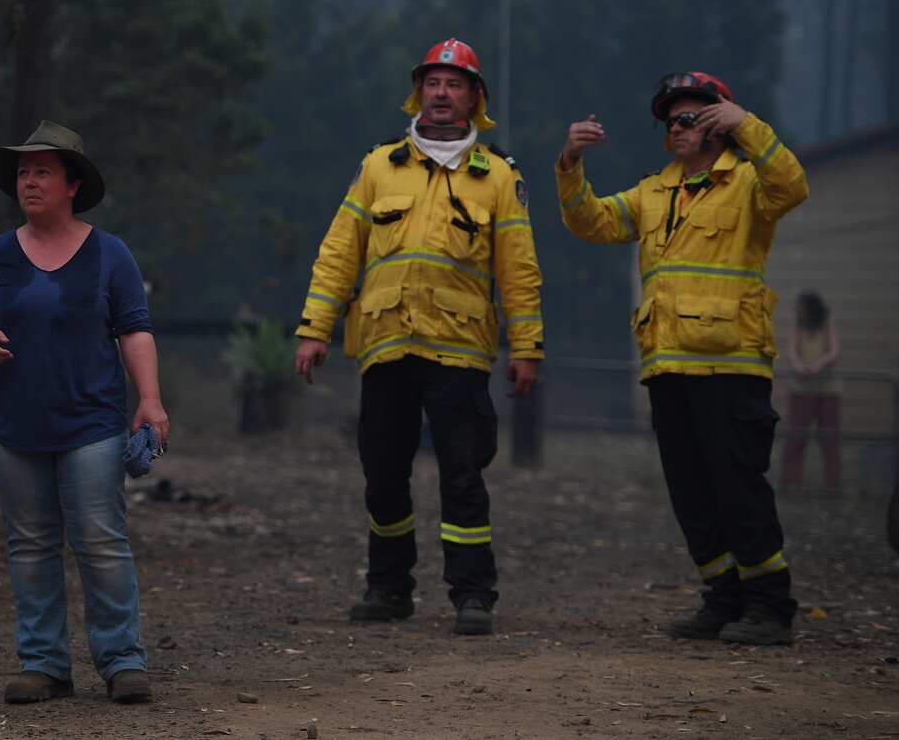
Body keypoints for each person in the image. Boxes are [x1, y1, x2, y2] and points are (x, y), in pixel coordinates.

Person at [294, 38, 544, 636]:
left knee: (462, 474)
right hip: (384, 344)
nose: (440, 92)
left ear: (474, 99)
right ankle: (388, 589)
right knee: (382, 472)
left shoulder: (500, 176)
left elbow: (519, 268)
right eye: (432, 82)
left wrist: (527, 347)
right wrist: (314, 327)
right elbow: (339, 252)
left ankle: (472, 594)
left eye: (454, 84)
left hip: (459, 351)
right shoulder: (379, 165)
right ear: (418, 92)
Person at [555, 71, 809, 646]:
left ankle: (771, 606)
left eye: (690, 117)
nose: (677, 127)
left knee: (738, 487)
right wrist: (570, 163)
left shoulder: (749, 184)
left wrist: (749, 124)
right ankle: (723, 598)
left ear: (719, 122)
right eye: (671, 120)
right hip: (667, 367)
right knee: (691, 492)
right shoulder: (653, 192)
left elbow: (793, 187)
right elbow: (590, 222)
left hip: (732, 365)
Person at [0, 121, 168, 705]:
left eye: (42, 171)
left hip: (91, 423)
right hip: (11, 424)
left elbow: (135, 331)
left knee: (99, 539)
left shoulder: (110, 254)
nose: (29, 181)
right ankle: (43, 664)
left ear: (73, 184)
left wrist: (149, 400)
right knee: (30, 544)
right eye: (23, 172)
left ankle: (123, 660)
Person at [779, 291, 842, 489]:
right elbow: (791, 350)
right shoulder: (797, 322)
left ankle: (833, 485)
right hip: (801, 388)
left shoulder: (827, 321)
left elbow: (834, 351)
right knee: (795, 437)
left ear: (812, 308)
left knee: (829, 439)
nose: (799, 311)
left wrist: (818, 365)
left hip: (828, 389)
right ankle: (790, 483)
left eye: (802, 307)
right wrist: (799, 366)